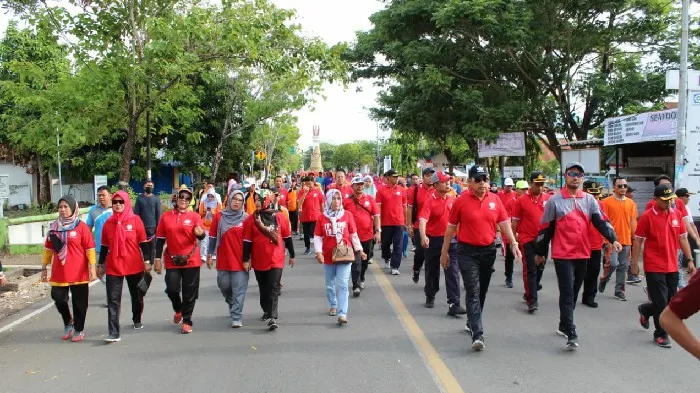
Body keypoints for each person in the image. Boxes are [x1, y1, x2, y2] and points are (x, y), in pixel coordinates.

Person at [536, 162, 621, 349]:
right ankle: (571, 332)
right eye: (572, 173)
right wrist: (540, 253)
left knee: (574, 291)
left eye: (579, 174)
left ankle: (563, 324)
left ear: (582, 178)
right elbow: (545, 229)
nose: (576, 177)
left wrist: (613, 239)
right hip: (562, 254)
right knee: (567, 292)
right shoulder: (554, 201)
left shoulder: (589, 200)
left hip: (584, 253)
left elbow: (601, 222)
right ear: (565, 176)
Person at [441, 165, 521, 351]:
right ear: (469, 182)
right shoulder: (460, 201)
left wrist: (514, 243)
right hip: (466, 251)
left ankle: (471, 321)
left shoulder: (495, 200)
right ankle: (478, 334)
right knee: (473, 290)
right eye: (478, 179)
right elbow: (451, 229)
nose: (482, 183)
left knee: (482, 290)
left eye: (485, 179)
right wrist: (444, 253)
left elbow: (504, 223)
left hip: (488, 251)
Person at [632, 184, 696, 348]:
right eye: (665, 200)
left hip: (672, 266)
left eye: (670, 200)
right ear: (656, 199)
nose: (668, 203)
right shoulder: (647, 217)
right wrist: (634, 264)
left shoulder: (676, 214)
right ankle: (660, 334)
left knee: (669, 302)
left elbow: (682, 238)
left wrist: (689, 260)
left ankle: (646, 310)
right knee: (661, 304)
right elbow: (638, 240)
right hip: (654, 266)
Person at [41, 195, 97, 342]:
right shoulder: (54, 228)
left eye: (66, 206)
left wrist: (92, 267)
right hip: (60, 272)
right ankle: (68, 321)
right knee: (58, 297)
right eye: (60, 207)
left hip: (79, 272)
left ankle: (79, 329)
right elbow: (48, 249)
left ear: (73, 208)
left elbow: (90, 248)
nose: (63, 209)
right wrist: (43, 267)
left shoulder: (81, 227)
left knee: (80, 303)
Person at [98, 191, 152, 342]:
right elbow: (104, 246)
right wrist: (100, 264)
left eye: (121, 202)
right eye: (115, 202)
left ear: (126, 203)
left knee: (137, 296)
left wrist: (147, 262)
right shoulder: (108, 223)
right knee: (113, 300)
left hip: (134, 265)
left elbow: (143, 243)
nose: (118, 205)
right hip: (114, 266)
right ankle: (114, 333)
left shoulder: (135, 220)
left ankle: (137, 318)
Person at [154, 187, 206, 334]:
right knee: (172, 288)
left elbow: (201, 236)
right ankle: (178, 309)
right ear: (176, 198)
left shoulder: (195, 216)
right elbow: (160, 240)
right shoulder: (166, 217)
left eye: (187, 198)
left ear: (190, 201)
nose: (184, 200)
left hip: (191, 259)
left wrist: (200, 234)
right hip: (172, 259)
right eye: (182, 197)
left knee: (190, 292)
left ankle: (187, 320)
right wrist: (157, 259)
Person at [242, 193, 296, 330]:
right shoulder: (251, 219)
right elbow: (247, 241)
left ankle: (272, 316)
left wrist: (292, 254)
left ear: (266, 200)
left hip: (276, 258)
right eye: (255, 201)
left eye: (259, 200)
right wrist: (245, 259)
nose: (257, 203)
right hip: (259, 259)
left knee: (273, 286)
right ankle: (266, 310)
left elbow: (287, 236)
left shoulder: (279, 216)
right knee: (263, 287)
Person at [314, 189, 365, 325]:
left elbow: (353, 234)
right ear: (329, 200)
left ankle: (343, 313)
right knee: (330, 284)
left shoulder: (347, 215)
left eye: (338, 198)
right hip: (328, 256)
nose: (336, 201)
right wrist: (318, 252)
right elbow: (318, 237)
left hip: (344, 254)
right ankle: (333, 304)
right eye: (334, 199)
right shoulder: (322, 218)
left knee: (342, 284)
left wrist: (360, 250)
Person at [418, 171, 465, 315]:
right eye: (444, 181)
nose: (447, 183)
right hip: (433, 240)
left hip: (450, 241)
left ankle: (454, 303)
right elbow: (423, 220)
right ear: (436, 184)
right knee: (432, 270)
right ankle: (430, 294)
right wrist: (423, 236)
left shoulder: (453, 198)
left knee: (452, 271)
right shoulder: (430, 201)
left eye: (448, 181)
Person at [207, 190, 249, 328]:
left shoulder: (246, 218)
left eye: (240, 200)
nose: (237, 202)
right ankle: (231, 304)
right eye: (234, 199)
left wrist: (249, 258)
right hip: (223, 259)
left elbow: (251, 241)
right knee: (224, 286)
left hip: (241, 260)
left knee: (239, 289)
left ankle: (236, 316)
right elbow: (212, 236)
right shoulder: (220, 216)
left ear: (243, 203)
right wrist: (209, 254)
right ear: (229, 200)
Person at [511, 172, 550, 312]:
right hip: (527, 239)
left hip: (543, 240)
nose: (540, 187)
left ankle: (531, 290)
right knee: (530, 270)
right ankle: (532, 300)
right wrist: (513, 239)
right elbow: (515, 221)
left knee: (540, 267)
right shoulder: (521, 200)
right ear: (530, 183)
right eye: (537, 184)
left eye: (542, 184)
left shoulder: (548, 199)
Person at [598, 177, 638, 300]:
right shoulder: (606, 202)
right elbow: (603, 222)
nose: (623, 188)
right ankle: (605, 277)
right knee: (613, 264)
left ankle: (619, 290)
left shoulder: (631, 203)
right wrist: (606, 240)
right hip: (611, 241)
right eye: (620, 186)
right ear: (614, 187)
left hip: (626, 240)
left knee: (623, 266)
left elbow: (632, 221)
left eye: (625, 186)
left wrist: (633, 237)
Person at [344, 175, 381, 296]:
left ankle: (362, 276)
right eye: (357, 184)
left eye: (361, 184)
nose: (360, 186)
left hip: (368, 236)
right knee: (356, 261)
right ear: (352, 186)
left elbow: (376, 216)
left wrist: (378, 231)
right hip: (353, 237)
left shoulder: (370, 199)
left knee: (365, 260)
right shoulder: (347, 201)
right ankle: (356, 284)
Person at [660, 271, 700, 359]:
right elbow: (668, 318)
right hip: (655, 269)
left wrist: (689, 260)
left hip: (673, 269)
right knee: (660, 301)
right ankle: (659, 334)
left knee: (667, 297)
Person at [406, 168, 435, 284]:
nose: (430, 178)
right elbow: (410, 208)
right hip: (419, 226)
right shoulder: (416, 190)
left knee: (431, 255)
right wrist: (409, 225)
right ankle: (416, 269)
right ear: (423, 177)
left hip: (434, 227)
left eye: (432, 175)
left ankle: (430, 284)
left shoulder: (438, 190)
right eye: (428, 175)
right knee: (420, 252)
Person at [377, 169, 408, 275]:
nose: (396, 178)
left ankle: (395, 266)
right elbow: (378, 209)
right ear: (388, 178)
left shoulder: (402, 190)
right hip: (386, 223)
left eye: (397, 176)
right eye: (394, 176)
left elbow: (405, 208)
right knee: (385, 244)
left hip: (399, 222)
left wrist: (406, 222)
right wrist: (378, 225)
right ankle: (386, 257)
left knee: (398, 245)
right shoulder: (381, 191)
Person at [580, 180, 605, 308]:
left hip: (595, 244)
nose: (594, 197)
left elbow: (604, 224)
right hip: (580, 244)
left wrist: (608, 240)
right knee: (579, 272)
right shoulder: (578, 204)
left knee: (594, 271)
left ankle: (589, 297)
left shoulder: (601, 205)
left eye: (596, 194)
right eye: (591, 194)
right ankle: (571, 295)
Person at [502, 180, 528, 288]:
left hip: (525, 235)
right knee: (510, 256)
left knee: (528, 259)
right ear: (516, 190)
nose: (525, 192)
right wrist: (514, 234)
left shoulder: (529, 201)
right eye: (522, 189)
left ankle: (531, 282)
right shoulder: (510, 203)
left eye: (526, 189)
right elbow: (507, 219)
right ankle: (508, 277)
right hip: (512, 234)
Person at [134, 180, 161, 263]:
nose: (149, 187)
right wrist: (137, 225)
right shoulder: (139, 199)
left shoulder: (156, 199)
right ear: (144, 187)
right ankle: (144, 260)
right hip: (141, 226)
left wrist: (158, 226)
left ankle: (151, 261)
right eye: (147, 186)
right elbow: (136, 213)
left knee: (152, 246)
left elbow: (158, 213)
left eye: (151, 186)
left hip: (152, 226)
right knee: (142, 244)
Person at [298, 176, 325, 255]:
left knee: (315, 234)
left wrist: (323, 214)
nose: (309, 185)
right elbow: (299, 204)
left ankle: (318, 250)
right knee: (306, 235)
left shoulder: (318, 192)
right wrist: (305, 193)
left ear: (313, 183)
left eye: (310, 183)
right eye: (307, 183)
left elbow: (321, 204)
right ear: (304, 183)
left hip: (316, 216)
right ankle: (308, 248)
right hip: (305, 217)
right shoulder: (301, 192)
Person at [198, 189, 222, 263]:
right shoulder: (203, 203)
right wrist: (205, 211)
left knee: (214, 240)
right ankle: (204, 255)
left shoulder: (218, 204)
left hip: (214, 225)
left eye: (212, 196)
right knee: (204, 240)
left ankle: (214, 254)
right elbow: (200, 214)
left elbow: (219, 215)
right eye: (209, 196)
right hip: (205, 224)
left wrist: (213, 212)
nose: (210, 198)